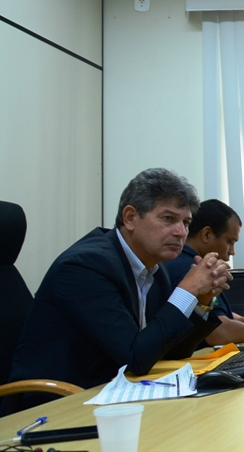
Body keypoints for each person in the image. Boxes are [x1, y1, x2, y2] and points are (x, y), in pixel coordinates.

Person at [7, 168, 231, 411]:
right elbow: (134, 358)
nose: (181, 232)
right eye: (168, 219)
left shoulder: (155, 270)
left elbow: (168, 351)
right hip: (54, 404)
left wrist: (200, 301)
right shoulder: (85, 267)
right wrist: (186, 291)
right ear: (130, 218)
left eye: (186, 222)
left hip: (110, 395)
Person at [163, 199, 244, 345]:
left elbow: (215, 314)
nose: (232, 251)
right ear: (206, 235)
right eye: (230, 242)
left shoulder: (182, 262)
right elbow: (218, 334)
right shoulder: (190, 269)